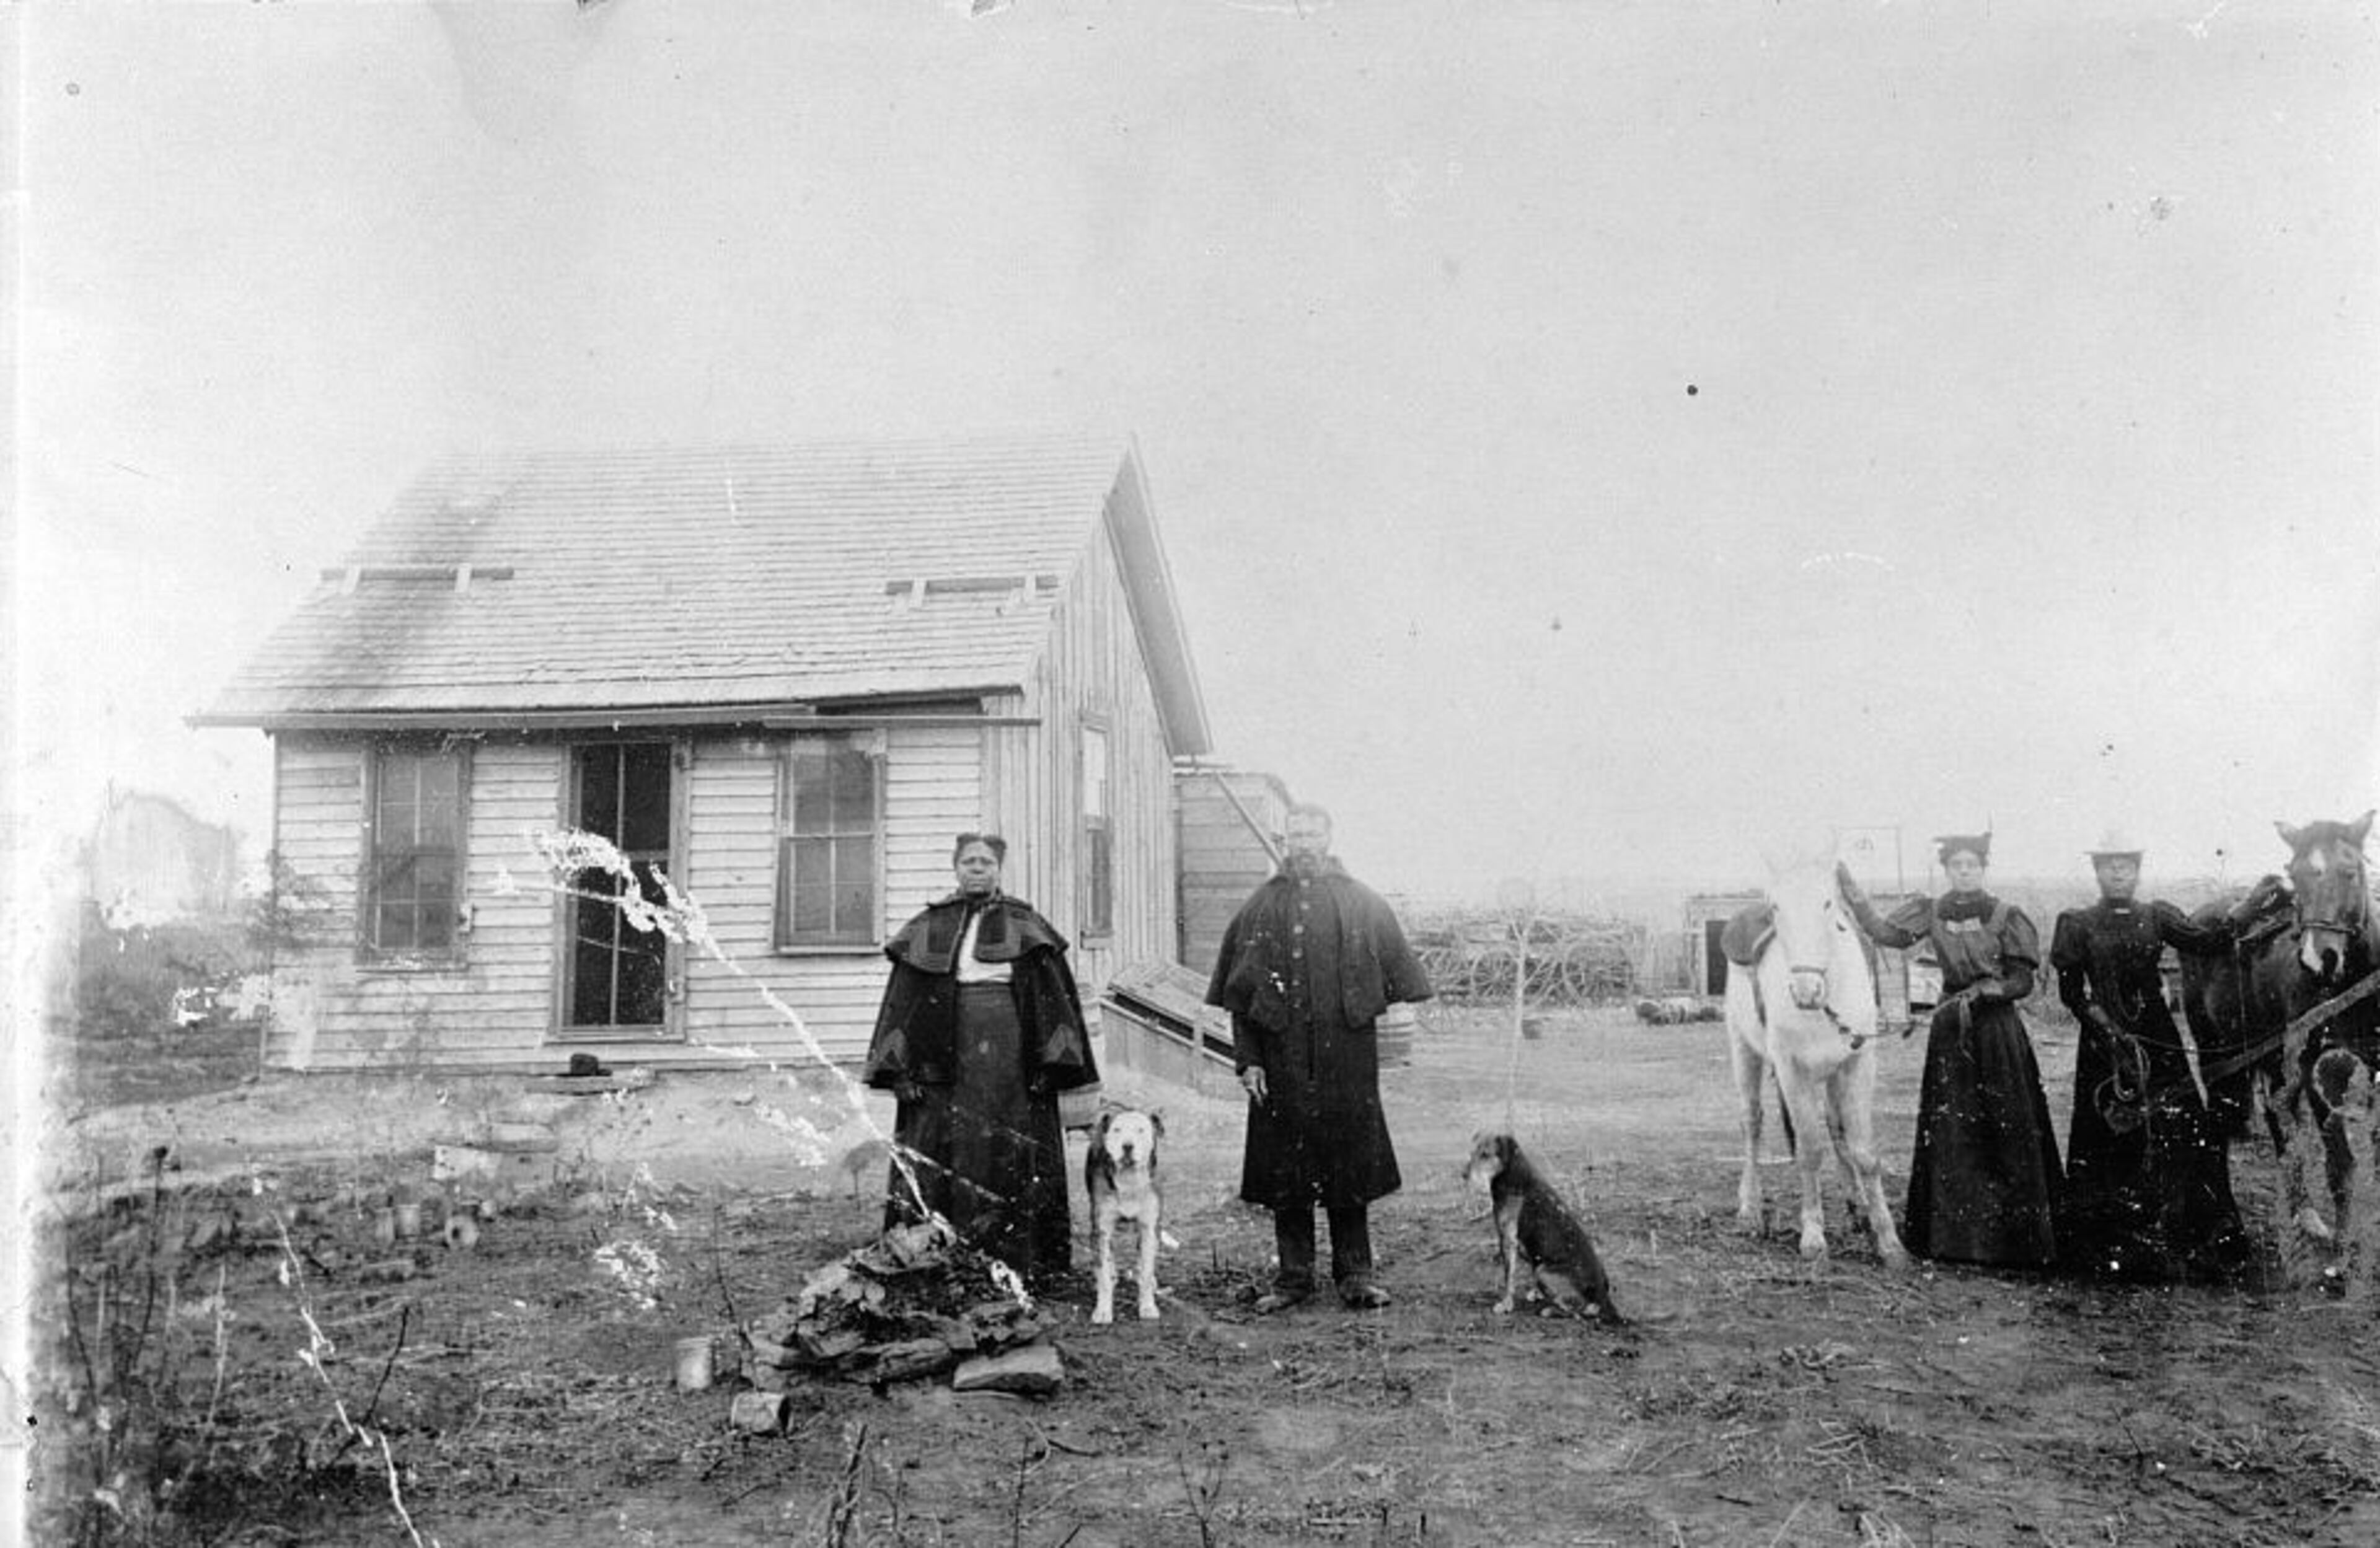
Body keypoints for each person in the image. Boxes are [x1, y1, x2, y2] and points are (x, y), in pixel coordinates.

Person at [1206, 803, 1432, 1311]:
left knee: (1349, 1167)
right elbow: (1241, 1001)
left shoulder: (1362, 903)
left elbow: (1395, 980)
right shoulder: (1260, 908)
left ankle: (1356, 1276)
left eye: (1312, 834)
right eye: (1295, 835)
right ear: (1284, 840)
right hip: (1280, 1061)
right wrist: (1250, 1062)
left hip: (1346, 1060)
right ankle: (1293, 1279)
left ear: (1328, 838)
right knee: (1286, 1171)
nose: (1303, 843)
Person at [863, 833, 1096, 1287]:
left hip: (1009, 1054)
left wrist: (1052, 1067)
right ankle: (939, 1258)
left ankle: (1018, 1262)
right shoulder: (928, 927)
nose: (977, 869)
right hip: (943, 1055)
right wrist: (900, 1071)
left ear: (998, 870)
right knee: (944, 1146)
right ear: (955, 868)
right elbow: (902, 1004)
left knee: (1008, 1150)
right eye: (969, 861)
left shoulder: (1025, 924)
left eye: (986, 862)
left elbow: (1052, 1001)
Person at [1839, 833, 2063, 1269]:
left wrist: (1988, 991)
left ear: (1983, 869)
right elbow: (1887, 933)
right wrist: (1851, 891)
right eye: (1957, 865)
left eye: (1972, 865)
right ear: (1947, 870)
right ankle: (1956, 1240)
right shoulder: (1933, 912)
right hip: (1950, 1028)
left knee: (2008, 1125)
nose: (1964, 871)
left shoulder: (2005, 915)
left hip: (1997, 1030)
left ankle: (2018, 1242)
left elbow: (2023, 981)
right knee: (1953, 1130)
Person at [2050, 830, 2252, 1282]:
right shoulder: (2076, 923)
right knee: (2106, 1135)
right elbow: (2071, 994)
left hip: (2159, 1040)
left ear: (2137, 871)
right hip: (2105, 1045)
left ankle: (2196, 1230)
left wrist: (2250, 908)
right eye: (2108, 865)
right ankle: (2110, 1238)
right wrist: (2110, 1033)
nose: (2118, 872)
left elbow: (2207, 939)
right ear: (2097, 872)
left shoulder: (2156, 916)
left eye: (2126, 865)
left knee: (2185, 1126)